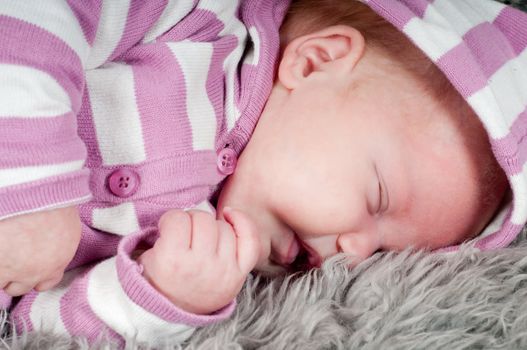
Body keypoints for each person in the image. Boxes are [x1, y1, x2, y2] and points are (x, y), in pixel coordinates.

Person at [0, 0, 525, 346]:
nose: (356, 253)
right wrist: (31, 188)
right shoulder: (196, 23)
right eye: (377, 196)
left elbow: (30, 328)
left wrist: (150, 297)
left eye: (387, 252)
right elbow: (30, 17)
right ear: (316, 63)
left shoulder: (202, 256)